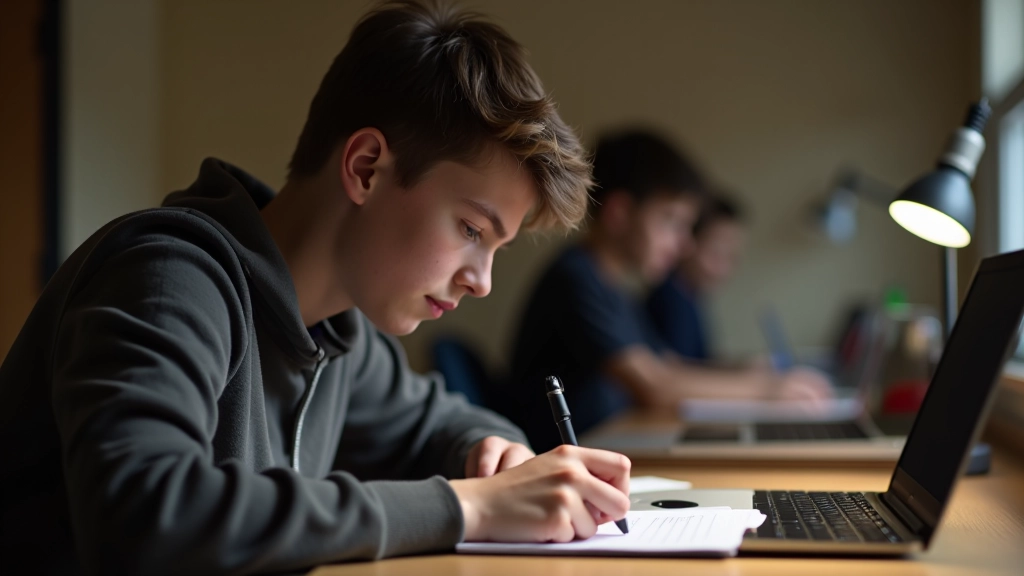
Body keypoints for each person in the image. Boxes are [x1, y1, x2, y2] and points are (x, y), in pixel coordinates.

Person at [0, 2, 631, 574]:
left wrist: (494, 455)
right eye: (471, 229)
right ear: (366, 168)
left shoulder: (339, 332)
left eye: (496, 247)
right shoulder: (165, 280)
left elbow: (441, 422)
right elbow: (145, 516)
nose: (482, 281)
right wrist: (470, 508)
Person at [506, 130, 832, 452]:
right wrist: (767, 391)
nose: (685, 244)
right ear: (619, 213)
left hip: (605, 447)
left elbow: (669, 366)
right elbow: (656, 387)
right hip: (559, 461)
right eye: (670, 221)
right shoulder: (576, 279)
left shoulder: (614, 289)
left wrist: (744, 374)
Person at [646, 194, 746, 361]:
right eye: (715, 253)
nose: (723, 270)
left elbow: (698, 362)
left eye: (732, 257)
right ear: (687, 243)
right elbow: (677, 372)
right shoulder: (672, 302)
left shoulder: (689, 297)